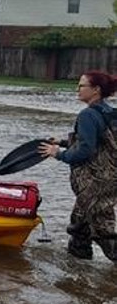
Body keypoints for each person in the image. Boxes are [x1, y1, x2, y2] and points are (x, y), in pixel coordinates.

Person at [39, 71, 117, 263]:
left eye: (82, 85)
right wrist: (63, 142)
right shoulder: (110, 112)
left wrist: (57, 153)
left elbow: (85, 150)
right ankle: (77, 273)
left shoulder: (88, 115)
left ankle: (81, 270)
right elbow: (101, 143)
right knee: (80, 225)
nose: (78, 89)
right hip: (110, 179)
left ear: (96, 90)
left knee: (102, 229)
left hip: (94, 182)